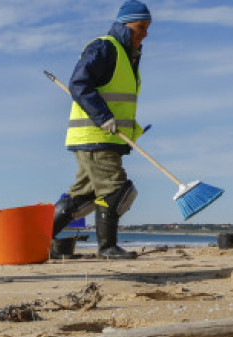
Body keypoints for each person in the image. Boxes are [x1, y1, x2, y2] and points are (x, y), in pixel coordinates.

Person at [50, 0, 151, 260]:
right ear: (126, 26)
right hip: (97, 136)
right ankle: (107, 247)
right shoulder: (105, 47)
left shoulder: (127, 55)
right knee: (117, 190)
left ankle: (37, 239)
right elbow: (79, 83)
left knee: (83, 197)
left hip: (104, 137)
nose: (145, 34)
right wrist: (103, 116)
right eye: (141, 27)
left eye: (147, 28)